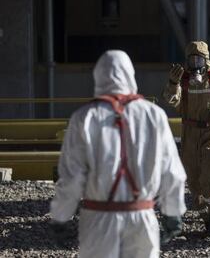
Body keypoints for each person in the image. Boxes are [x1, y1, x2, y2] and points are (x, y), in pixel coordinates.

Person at [49, 50, 186, 258]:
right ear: (130, 75)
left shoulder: (84, 118)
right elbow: (171, 170)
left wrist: (61, 216)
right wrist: (173, 212)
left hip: (98, 219)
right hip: (142, 217)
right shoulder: (153, 116)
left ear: (98, 75)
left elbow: (72, 176)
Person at [163, 41, 210, 235]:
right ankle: (205, 212)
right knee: (193, 177)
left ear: (206, 61)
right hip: (189, 135)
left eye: (199, 59)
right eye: (192, 59)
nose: (196, 63)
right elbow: (173, 101)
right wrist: (173, 84)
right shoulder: (184, 80)